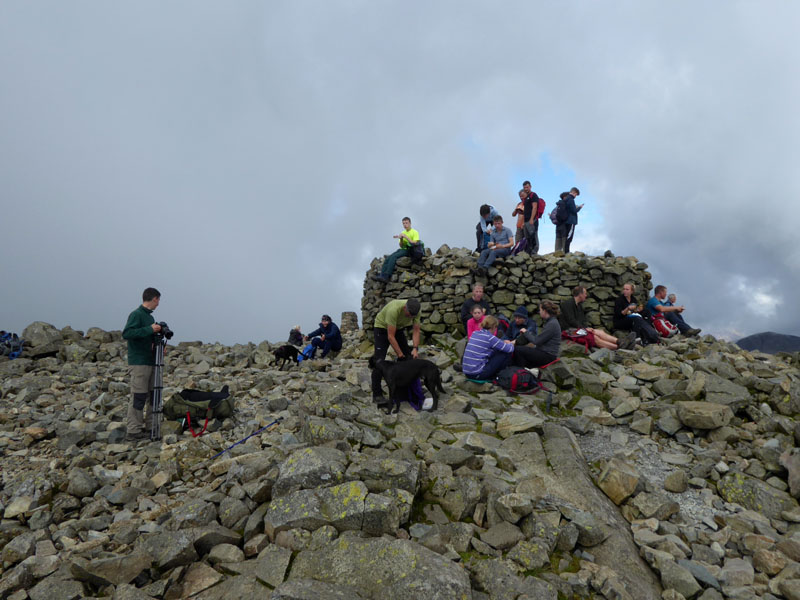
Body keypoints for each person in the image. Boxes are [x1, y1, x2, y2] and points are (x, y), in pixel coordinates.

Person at [122, 287, 162, 441]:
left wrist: (158, 345)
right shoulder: (136, 314)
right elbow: (127, 333)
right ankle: (133, 431)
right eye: (158, 300)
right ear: (154, 299)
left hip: (151, 361)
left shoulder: (150, 318)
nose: (158, 304)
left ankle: (151, 427)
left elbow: (147, 336)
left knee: (153, 395)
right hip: (139, 362)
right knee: (139, 396)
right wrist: (149, 329)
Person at [371, 298, 421, 403]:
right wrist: (400, 354)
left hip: (398, 328)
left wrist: (415, 349)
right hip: (381, 329)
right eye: (409, 315)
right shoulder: (393, 309)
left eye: (413, 316)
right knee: (379, 361)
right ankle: (377, 394)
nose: (411, 317)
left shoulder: (416, 311)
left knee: (409, 357)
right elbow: (390, 336)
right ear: (404, 308)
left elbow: (416, 330)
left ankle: (406, 389)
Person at [560, 286, 636, 350]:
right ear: (580, 294)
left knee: (600, 332)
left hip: (578, 329)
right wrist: (585, 329)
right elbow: (571, 320)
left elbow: (582, 321)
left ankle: (620, 342)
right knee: (595, 337)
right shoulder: (567, 304)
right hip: (569, 331)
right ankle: (619, 348)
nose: (586, 295)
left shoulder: (579, 306)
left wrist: (587, 328)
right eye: (585, 293)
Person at [462, 315, 515, 380]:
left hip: (467, 373)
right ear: (493, 327)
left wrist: (502, 342)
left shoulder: (475, 333)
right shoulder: (490, 338)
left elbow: (491, 343)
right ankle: (500, 376)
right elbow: (510, 349)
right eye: (496, 327)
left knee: (495, 350)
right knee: (506, 353)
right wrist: (510, 343)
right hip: (477, 374)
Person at [512, 300, 562, 368]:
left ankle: (520, 372)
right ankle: (522, 372)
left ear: (545, 311)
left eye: (540, 310)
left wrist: (525, 332)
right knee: (522, 353)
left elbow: (537, 341)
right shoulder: (551, 322)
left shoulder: (552, 324)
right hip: (545, 353)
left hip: (548, 356)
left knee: (518, 350)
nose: (539, 312)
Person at [373, 217, 422, 283]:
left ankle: (387, 276)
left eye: (406, 223)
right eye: (403, 223)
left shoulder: (415, 232)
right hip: (402, 249)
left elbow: (415, 243)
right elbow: (401, 245)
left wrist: (406, 237)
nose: (405, 225)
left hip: (410, 250)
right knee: (388, 258)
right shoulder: (403, 232)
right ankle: (382, 275)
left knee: (394, 257)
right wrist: (401, 239)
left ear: (410, 223)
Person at [556, 188, 583, 254]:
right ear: (574, 192)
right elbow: (574, 211)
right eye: (576, 194)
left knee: (567, 236)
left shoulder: (566, 199)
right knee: (569, 237)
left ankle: (565, 251)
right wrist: (579, 207)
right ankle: (566, 251)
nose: (575, 196)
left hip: (566, 221)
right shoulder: (571, 200)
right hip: (571, 221)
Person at [521, 180, 543, 255]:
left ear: (530, 187)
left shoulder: (533, 195)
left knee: (534, 236)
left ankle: (534, 251)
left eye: (527, 187)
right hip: (526, 220)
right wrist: (524, 222)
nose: (526, 189)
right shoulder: (526, 197)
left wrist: (531, 219)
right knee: (528, 237)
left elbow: (534, 207)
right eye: (524, 188)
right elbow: (526, 210)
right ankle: (529, 252)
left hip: (532, 220)